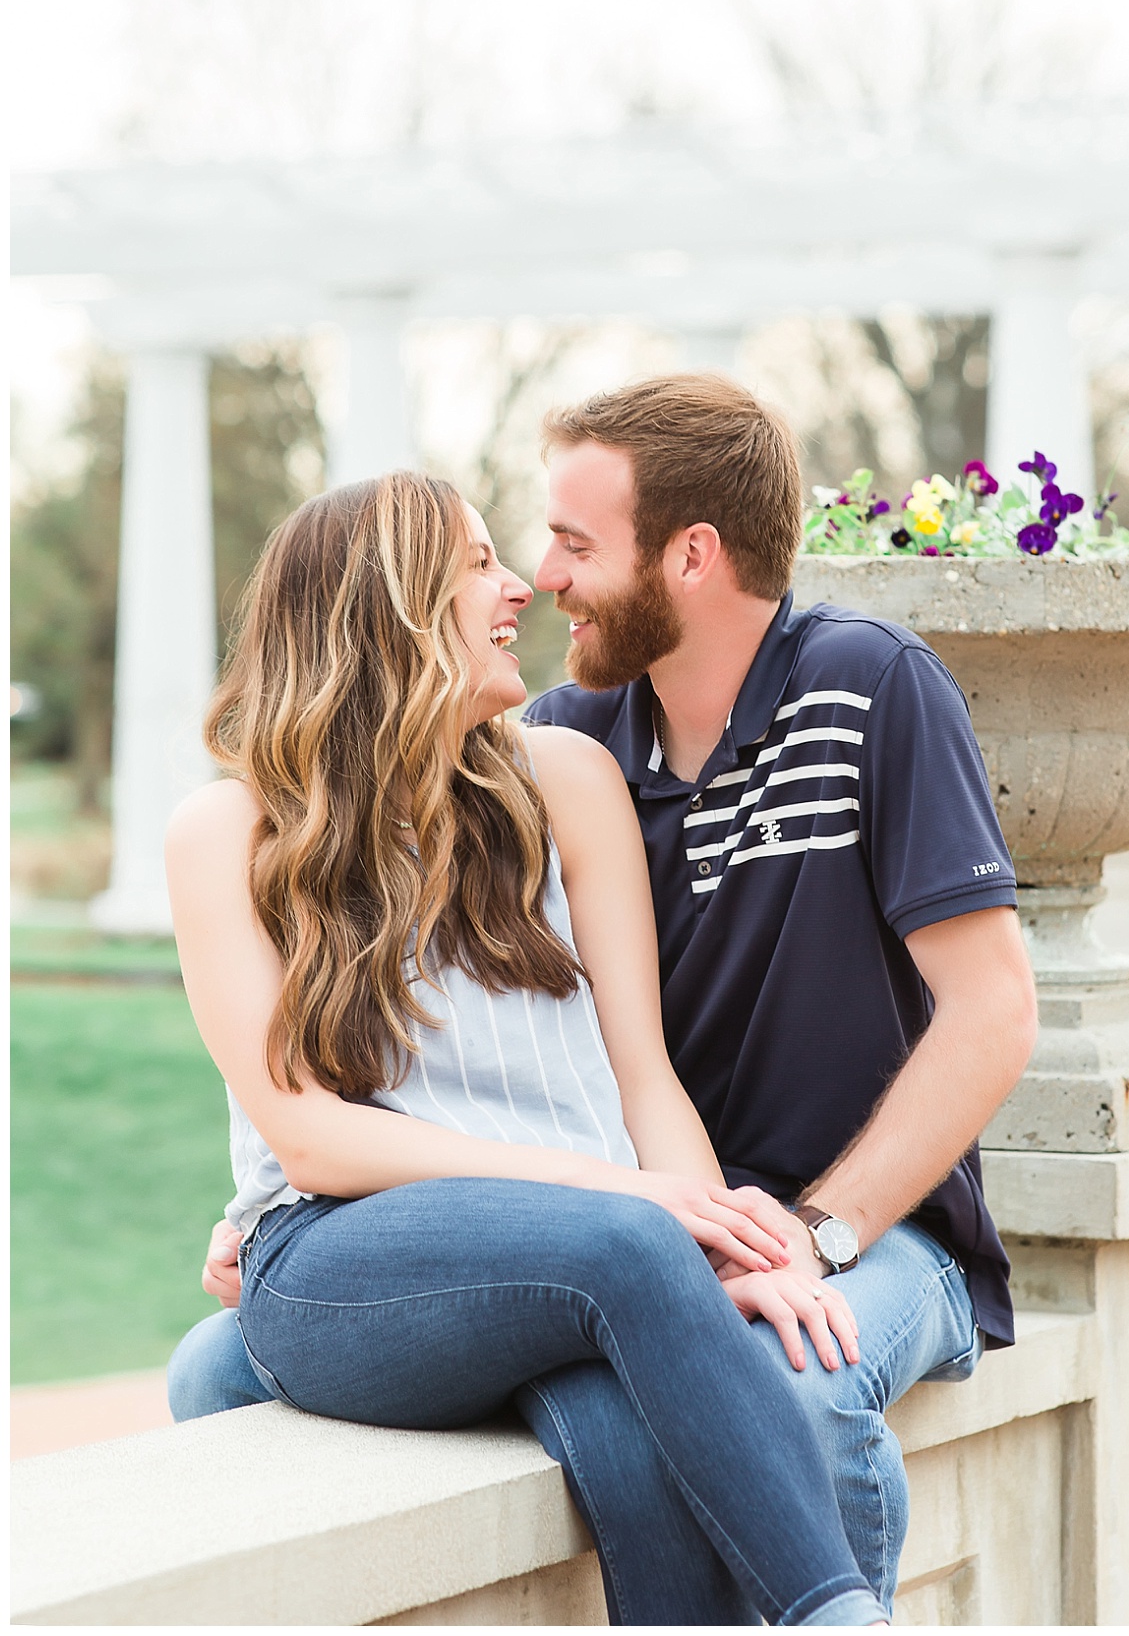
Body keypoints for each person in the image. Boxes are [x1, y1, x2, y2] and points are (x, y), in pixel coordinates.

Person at [173, 377, 1039, 1621]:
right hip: (541, 1236)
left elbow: (652, 1077)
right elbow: (307, 1125)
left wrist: (761, 1227)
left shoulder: (613, 756)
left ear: (690, 555)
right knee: (236, 1356)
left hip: (770, 1227)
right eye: (487, 560)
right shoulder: (266, 820)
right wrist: (670, 1210)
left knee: (663, 1408)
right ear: (390, 610)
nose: (532, 577)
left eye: (568, 543)